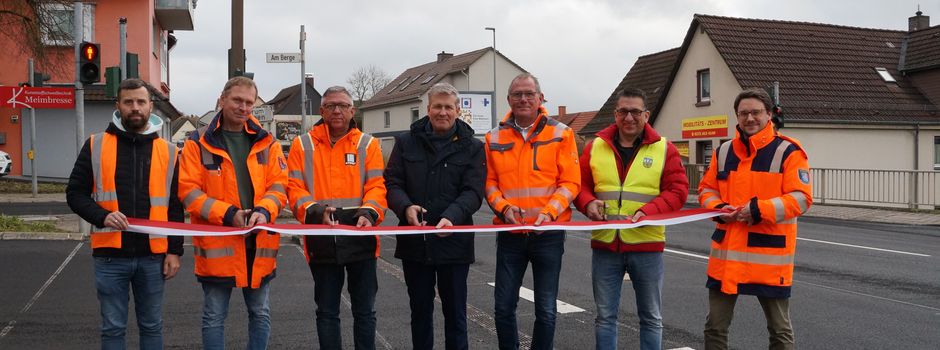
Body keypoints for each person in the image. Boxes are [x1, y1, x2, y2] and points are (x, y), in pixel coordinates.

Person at [66, 78, 183, 350]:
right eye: (128, 102)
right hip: (110, 255)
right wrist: (102, 216)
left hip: (154, 257)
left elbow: (176, 206)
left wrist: (174, 251)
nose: (135, 108)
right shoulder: (95, 145)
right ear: (118, 105)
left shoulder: (168, 151)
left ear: (151, 107)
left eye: (141, 102)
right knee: (112, 328)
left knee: (152, 326)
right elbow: (75, 193)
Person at [177, 76, 287, 350]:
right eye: (237, 100)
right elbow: (188, 192)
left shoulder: (267, 142)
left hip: (258, 242)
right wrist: (228, 214)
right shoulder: (197, 142)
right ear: (222, 100)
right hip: (219, 246)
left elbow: (279, 186)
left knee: (260, 313)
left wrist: (264, 210)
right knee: (214, 315)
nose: (244, 107)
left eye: (249, 102)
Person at [574, 87, 688, 349]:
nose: (629, 117)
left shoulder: (664, 148)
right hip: (605, 245)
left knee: (650, 318)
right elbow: (579, 186)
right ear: (615, 114)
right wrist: (587, 202)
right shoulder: (595, 147)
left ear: (646, 115)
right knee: (605, 317)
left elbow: (678, 191)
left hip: (646, 245)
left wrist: (647, 212)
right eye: (623, 111)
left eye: (635, 112)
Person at [698, 88, 812, 350]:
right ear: (737, 117)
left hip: (768, 257)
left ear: (768, 114)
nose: (750, 118)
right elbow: (706, 189)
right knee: (714, 327)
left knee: (779, 330)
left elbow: (801, 198)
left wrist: (759, 210)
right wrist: (719, 208)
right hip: (727, 255)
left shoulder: (789, 151)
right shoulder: (723, 151)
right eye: (744, 113)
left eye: (756, 112)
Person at [385, 82, 485, 350]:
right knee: (420, 314)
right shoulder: (406, 143)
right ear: (428, 110)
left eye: (448, 107)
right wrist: (405, 207)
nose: (443, 112)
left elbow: (473, 191)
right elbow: (392, 183)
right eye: (437, 106)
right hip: (415, 243)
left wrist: (452, 216)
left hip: (454, 242)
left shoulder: (473, 147)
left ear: (457, 110)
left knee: (456, 315)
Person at [286, 86, 387, 350]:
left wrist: (369, 212)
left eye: (343, 105)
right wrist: (315, 210)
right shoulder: (302, 144)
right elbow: (294, 189)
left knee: (365, 311)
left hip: (360, 238)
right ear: (321, 111)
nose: (337, 110)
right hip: (321, 238)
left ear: (353, 110)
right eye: (331, 106)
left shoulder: (368, 144)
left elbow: (377, 187)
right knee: (327, 312)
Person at [484, 73, 580, 350]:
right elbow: (489, 183)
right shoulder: (493, 137)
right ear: (509, 100)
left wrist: (549, 212)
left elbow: (571, 182)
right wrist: (503, 208)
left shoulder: (562, 133)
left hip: (547, 233)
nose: (523, 99)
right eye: (517, 94)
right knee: (503, 307)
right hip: (510, 232)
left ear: (540, 98)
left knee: (546, 310)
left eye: (529, 93)